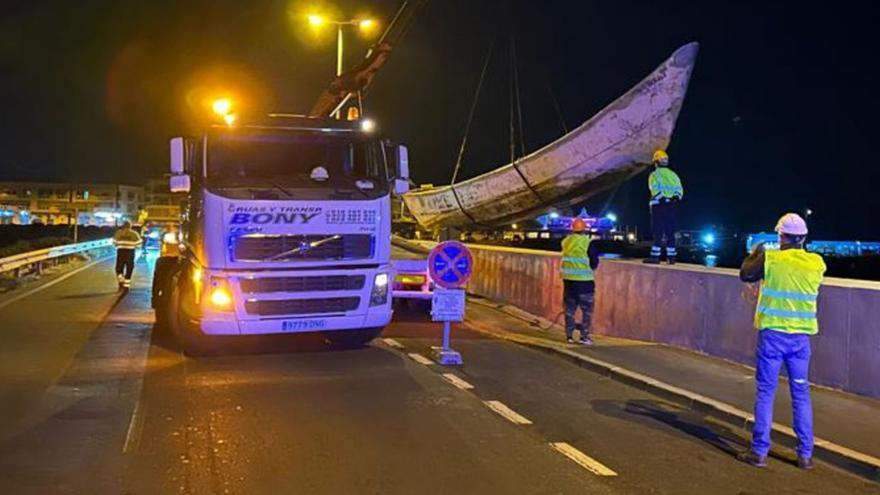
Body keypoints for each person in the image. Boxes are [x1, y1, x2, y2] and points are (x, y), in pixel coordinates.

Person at [737, 213, 826, 470]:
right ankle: (805, 455)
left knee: (766, 392)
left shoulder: (772, 259)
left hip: (773, 337)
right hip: (801, 340)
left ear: (780, 236)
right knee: (801, 394)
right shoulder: (817, 263)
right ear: (804, 238)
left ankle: (759, 451)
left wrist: (757, 253)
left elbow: (746, 273)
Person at [560, 217, 602, 345]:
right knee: (587, 312)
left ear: (573, 229)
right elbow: (594, 261)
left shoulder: (565, 241)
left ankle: (569, 336)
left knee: (569, 311)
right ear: (584, 230)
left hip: (569, 282)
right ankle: (584, 337)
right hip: (585, 283)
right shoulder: (587, 242)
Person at [643, 149, 684, 264]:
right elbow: (679, 189)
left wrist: (662, 198)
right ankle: (671, 257)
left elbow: (654, 188)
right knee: (670, 230)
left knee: (658, 231)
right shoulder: (673, 175)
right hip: (671, 205)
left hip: (658, 205)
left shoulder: (654, 175)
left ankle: (655, 257)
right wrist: (674, 198)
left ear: (656, 162)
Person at [113, 220, 142, 290]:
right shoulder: (134, 234)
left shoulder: (118, 233)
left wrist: (120, 244)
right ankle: (126, 285)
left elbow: (114, 243)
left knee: (119, 267)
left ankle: (121, 280)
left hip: (120, 252)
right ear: (130, 226)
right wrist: (133, 245)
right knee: (129, 268)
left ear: (123, 225)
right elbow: (139, 244)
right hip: (130, 252)